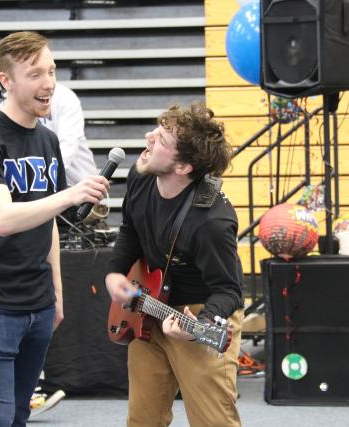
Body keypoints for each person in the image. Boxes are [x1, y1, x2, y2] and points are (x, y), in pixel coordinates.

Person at [0, 31, 108, 426]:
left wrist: (55, 292)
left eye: (52, 71)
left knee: (19, 417)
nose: (49, 83)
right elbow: (3, 219)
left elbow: (49, 224)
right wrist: (71, 195)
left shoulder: (47, 140)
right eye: (35, 74)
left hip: (37, 303)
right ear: (6, 80)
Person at [105, 103, 245, 427]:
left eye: (162, 139)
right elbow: (130, 229)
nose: (148, 137)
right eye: (156, 128)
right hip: (148, 309)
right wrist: (114, 272)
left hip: (197, 313)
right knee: (142, 420)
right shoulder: (141, 176)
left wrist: (202, 323)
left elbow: (229, 290)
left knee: (214, 422)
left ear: (183, 167)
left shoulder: (213, 221)